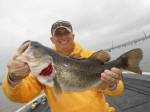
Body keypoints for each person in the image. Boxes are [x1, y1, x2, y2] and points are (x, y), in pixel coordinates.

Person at [2, 20, 124, 112]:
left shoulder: (90, 55)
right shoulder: (40, 69)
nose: (63, 37)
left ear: (73, 36)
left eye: (66, 33)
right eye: (58, 34)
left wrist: (112, 84)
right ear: (52, 39)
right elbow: (22, 96)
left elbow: (117, 90)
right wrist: (13, 79)